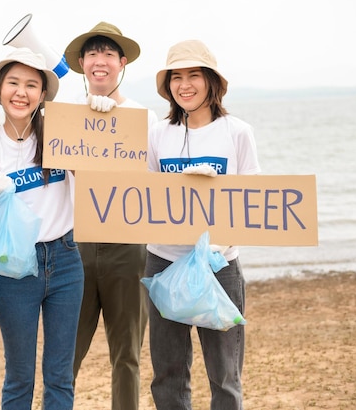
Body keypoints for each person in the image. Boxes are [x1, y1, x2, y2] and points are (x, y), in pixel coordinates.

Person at [145, 39, 261, 409]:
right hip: (164, 261)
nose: (185, 85)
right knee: (168, 372)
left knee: (225, 373)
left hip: (219, 264)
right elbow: (143, 195)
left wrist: (221, 243)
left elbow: (253, 200)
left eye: (194, 75)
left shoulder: (237, 132)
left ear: (211, 81)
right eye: (176, 77)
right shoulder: (158, 133)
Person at [0, 47, 84, 410]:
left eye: (31, 85)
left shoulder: (59, 136)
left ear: (43, 94)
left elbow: (96, 171)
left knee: (60, 376)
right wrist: (0, 200)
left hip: (66, 260)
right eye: (13, 83)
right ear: (0, 89)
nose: (21, 92)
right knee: (19, 377)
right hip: (14, 269)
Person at [62, 21, 157, 410]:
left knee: (128, 355)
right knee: (64, 355)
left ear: (121, 63)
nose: (100, 61)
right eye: (92, 53)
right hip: (76, 246)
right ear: (82, 63)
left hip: (129, 247)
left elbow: (158, 180)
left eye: (108, 53)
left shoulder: (144, 117)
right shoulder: (65, 117)